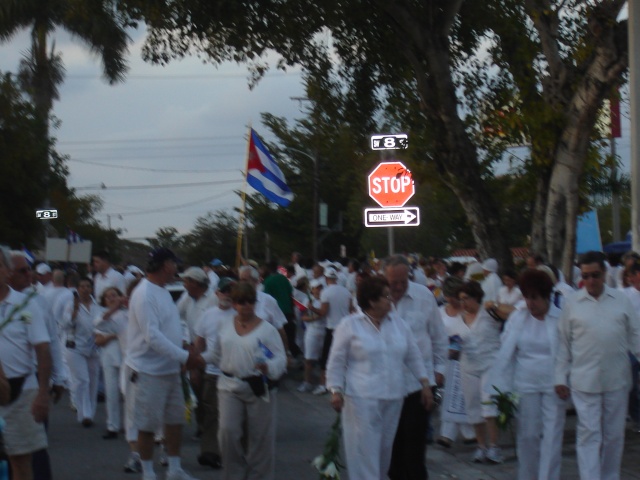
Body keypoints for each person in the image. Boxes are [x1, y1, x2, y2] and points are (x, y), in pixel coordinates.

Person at [326, 276, 433, 480]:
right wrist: (335, 389)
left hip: (394, 396)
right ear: (372, 301)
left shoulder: (398, 324)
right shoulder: (349, 325)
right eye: (385, 296)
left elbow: (413, 355)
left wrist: (425, 383)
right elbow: (336, 361)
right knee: (365, 450)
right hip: (362, 398)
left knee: (385, 451)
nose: (390, 299)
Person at [555, 250, 640, 480]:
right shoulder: (572, 303)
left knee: (613, 436)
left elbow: (636, 336)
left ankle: (610, 476)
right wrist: (560, 378)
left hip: (617, 379)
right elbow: (563, 343)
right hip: (584, 381)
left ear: (604, 273)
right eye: (586, 276)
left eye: (595, 275)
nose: (591, 281)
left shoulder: (621, 300)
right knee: (589, 435)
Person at [125, 247, 204, 480]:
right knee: (148, 425)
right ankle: (148, 472)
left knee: (175, 420)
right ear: (165, 265)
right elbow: (152, 336)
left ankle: (174, 468)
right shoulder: (144, 293)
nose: (177, 269)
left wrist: (184, 344)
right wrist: (185, 357)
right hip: (148, 370)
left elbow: (172, 324)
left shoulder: (163, 291)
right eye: (174, 264)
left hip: (170, 369)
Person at [202, 281, 286, 480]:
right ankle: (233, 474)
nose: (245, 305)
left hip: (258, 387)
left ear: (255, 303)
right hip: (229, 386)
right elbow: (214, 354)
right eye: (240, 301)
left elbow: (281, 358)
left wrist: (269, 367)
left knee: (260, 439)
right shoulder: (224, 325)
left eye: (250, 301)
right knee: (227, 432)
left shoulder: (268, 330)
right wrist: (194, 358)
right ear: (233, 304)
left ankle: (259, 476)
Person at [489, 269, 566, 479]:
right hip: (525, 384)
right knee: (528, 436)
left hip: (554, 385)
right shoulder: (517, 318)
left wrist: (565, 380)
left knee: (552, 436)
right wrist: (503, 386)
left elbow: (567, 353)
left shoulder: (560, 318)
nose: (530, 303)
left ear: (546, 296)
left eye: (535, 298)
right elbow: (506, 351)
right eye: (527, 297)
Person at [384, 255, 447, 480]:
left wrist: (440, 370)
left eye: (403, 281)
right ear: (385, 278)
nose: (399, 287)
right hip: (387, 386)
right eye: (394, 283)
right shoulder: (376, 300)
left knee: (415, 449)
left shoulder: (424, 296)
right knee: (392, 449)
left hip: (419, 385)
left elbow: (439, 336)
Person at [0, 246, 52, 480]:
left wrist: (43, 393)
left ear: (7, 271)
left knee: (21, 459)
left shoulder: (26, 305)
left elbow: (42, 348)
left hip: (22, 392)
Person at [193, 277, 237, 470]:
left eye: (231, 290)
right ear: (217, 293)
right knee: (211, 413)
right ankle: (209, 452)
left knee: (232, 418)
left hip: (236, 373)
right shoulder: (208, 315)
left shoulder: (241, 315)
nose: (227, 294)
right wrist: (196, 367)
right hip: (212, 372)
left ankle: (233, 453)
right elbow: (199, 343)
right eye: (224, 290)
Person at [457, 280, 503, 464]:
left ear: (476, 297)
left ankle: (494, 446)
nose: (463, 303)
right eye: (460, 299)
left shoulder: (489, 313)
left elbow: (513, 313)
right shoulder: (459, 318)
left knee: (489, 406)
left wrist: (495, 305)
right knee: (473, 407)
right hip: (468, 367)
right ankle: (481, 446)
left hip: (490, 365)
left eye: (466, 298)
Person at [436, 276, 476, 448]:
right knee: (448, 397)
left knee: (464, 397)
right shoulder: (439, 312)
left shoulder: (467, 314)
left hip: (465, 358)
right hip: (446, 358)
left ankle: (466, 432)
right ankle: (451, 434)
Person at [62, 277, 101, 427]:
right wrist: (75, 311)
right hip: (74, 347)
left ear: (92, 289)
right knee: (82, 380)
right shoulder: (71, 304)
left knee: (93, 380)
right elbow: (65, 324)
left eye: (88, 286)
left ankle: (90, 412)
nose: (85, 289)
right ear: (78, 289)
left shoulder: (98, 305)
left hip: (93, 347)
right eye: (82, 286)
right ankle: (84, 414)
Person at [309, 267, 353, 395]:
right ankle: (345, 384)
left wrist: (312, 308)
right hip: (346, 328)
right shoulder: (346, 292)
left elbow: (323, 312)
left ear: (326, 278)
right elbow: (351, 309)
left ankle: (323, 385)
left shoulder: (326, 292)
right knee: (345, 357)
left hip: (332, 328)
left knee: (327, 358)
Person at [93, 286, 128, 439]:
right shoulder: (101, 315)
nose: (112, 299)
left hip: (126, 358)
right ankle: (112, 425)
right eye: (108, 297)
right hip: (109, 357)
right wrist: (115, 335)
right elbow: (99, 339)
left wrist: (113, 334)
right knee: (112, 394)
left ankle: (129, 426)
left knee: (128, 393)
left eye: (114, 295)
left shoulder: (127, 314)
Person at [297, 279, 327, 393]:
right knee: (308, 359)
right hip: (312, 332)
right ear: (312, 290)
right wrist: (313, 318)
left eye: (320, 288)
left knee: (323, 361)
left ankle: (322, 384)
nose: (318, 290)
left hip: (324, 332)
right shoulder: (306, 301)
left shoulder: (326, 301)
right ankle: (307, 382)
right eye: (316, 288)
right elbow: (303, 317)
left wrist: (317, 314)